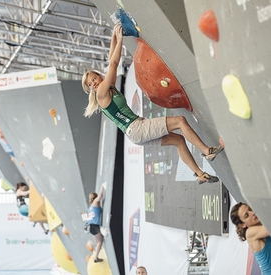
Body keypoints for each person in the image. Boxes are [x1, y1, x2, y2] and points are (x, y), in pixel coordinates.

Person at [81, 23, 224, 185]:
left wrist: (114, 36)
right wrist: (120, 39)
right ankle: (207, 151)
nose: (93, 83)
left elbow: (112, 60)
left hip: (135, 134)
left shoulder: (109, 87)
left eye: (94, 78)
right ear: (91, 89)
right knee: (180, 121)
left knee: (178, 140)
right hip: (136, 128)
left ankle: (199, 174)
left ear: (99, 76)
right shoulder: (101, 94)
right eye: (90, 84)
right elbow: (113, 64)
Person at [230, 202, 271, 275]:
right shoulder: (250, 233)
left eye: (250, 209)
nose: (252, 213)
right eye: (247, 215)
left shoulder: (262, 224)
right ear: (243, 224)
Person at [87, 184, 105, 263]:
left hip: (91, 226)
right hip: (94, 226)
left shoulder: (90, 207)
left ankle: (96, 252)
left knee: (98, 242)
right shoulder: (95, 202)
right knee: (100, 242)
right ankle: (96, 258)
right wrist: (102, 187)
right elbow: (100, 196)